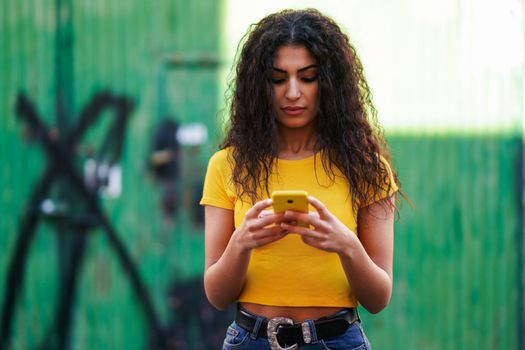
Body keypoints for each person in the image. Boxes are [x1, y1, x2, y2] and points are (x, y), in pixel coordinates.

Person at [200, 8, 401, 350]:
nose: (292, 92)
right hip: (251, 341)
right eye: (278, 79)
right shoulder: (225, 165)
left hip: (337, 340)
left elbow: (378, 298)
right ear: (258, 85)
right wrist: (242, 243)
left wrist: (346, 244)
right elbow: (218, 296)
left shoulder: (366, 167)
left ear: (331, 83)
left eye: (307, 77)